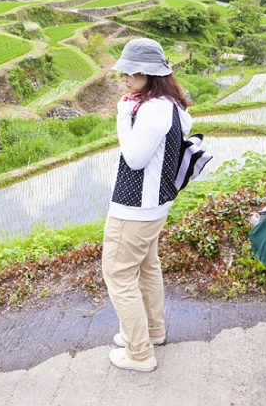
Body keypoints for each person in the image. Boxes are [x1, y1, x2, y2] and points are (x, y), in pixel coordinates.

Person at [103, 37, 191, 372]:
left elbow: (135, 158)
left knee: (118, 275)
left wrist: (123, 115)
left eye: (131, 72)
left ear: (150, 73)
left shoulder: (151, 109)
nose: (124, 78)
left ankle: (138, 353)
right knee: (146, 267)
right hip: (153, 207)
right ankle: (153, 332)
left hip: (134, 209)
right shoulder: (171, 104)